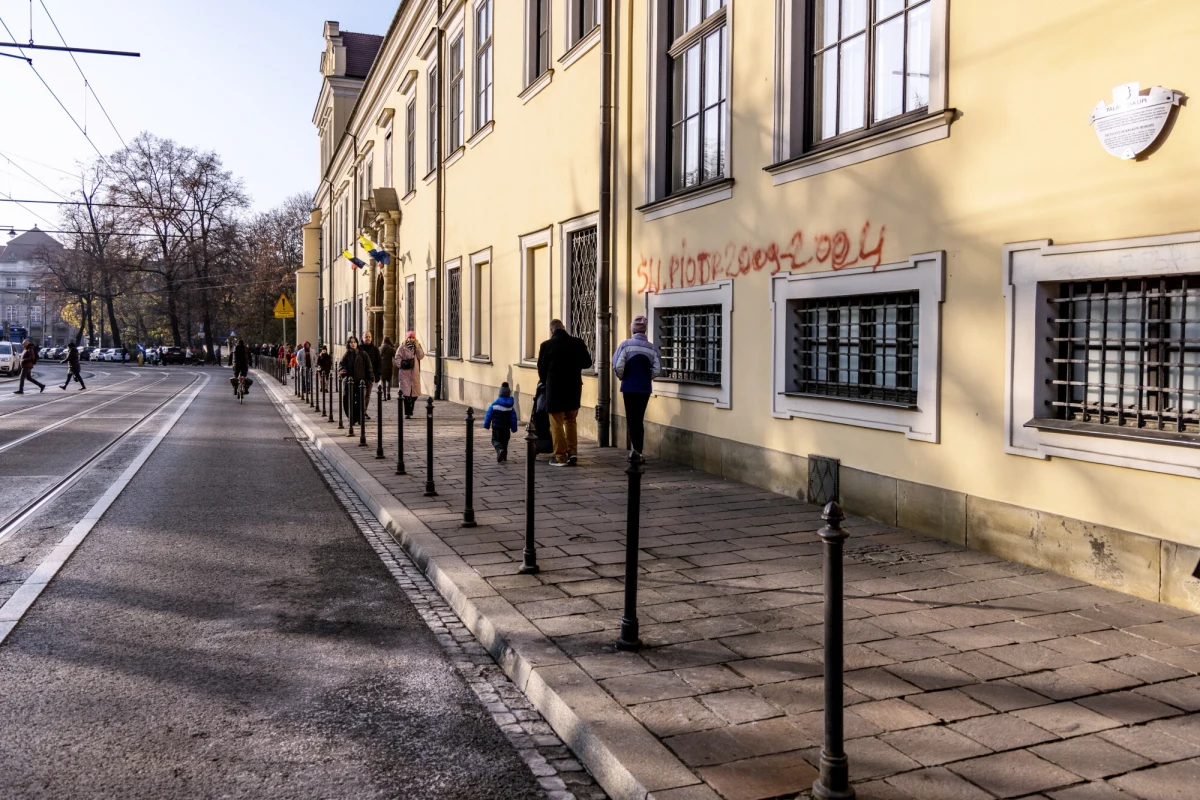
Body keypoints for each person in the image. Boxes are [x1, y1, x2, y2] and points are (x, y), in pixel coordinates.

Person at [537, 319, 593, 467]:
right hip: (573, 388)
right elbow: (588, 363)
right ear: (563, 327)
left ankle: (560, 457)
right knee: (571, 421)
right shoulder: (577, 342)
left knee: (556, 423)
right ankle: (573, 453)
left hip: (554, 389)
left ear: (551, 331)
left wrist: (548, 380)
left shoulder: (546, 345)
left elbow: (541, 371)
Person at [612, 315, 662, 457]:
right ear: (644, 331)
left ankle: (636, 451)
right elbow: (658, 369)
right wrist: (646, 377)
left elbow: (618, 365)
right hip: (644, 388)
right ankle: (638, 450)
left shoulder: (626, 345)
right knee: (639, 418)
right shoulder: (651, 348)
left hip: (629, 387)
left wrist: (623, 377)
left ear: (632, 329)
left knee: (631, 418)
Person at [338, 335, 374, 425]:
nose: (353, 344)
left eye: (354, 342)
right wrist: (343, 371)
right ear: (349, 344)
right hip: (349, 382)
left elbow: (368, 367)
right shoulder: (347, 354)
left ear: (357, 343)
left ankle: (360, 417)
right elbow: (341, 365)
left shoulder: (363, 354)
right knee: (348, 400)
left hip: (361, 382)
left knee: (361, 401)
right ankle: (352, 417)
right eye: (351, 342)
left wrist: (369, 379)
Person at [483, 382, 519, 462]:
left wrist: (486, 424)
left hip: (496, 428)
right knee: (505, 442)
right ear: (508, 394)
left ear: (499, 394)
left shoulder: (494, 405)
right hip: (506, 429)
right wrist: (514, 428)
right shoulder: (510, 407)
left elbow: (489, 415)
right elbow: (513, 418)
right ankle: (504, 456)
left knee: (495, 440)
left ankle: (500, 450)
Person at [394, 331, 424, 418]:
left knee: (414, 394)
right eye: (409, 337)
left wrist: (418, 347)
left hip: (415, 373)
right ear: (407, 338)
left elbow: (421, 356)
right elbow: (397, 357)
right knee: (406, 394)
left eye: (413, 337)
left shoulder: (417, 346)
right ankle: (408, 413)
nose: (411, 339)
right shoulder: (402, 347)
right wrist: (402, 364)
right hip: (405, 373)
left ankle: (410, 409)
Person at [359, 332, 381, 419]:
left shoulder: (375, 349)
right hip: (359, 375)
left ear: (371, 338)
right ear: (362, 338)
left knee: (367, 394)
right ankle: (360, 411)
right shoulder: (359, 348)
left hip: (370, 375)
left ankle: (364, 411)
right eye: (366, 337)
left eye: (369, 337)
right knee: (360, 394)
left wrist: (378, 374)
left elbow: (379, 362)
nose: (368, 338)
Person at [379, 336, 396, 401]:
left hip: (382, 367)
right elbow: (395, 357)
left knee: (383, 381)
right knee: (389, 381)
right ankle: (388, 393)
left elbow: (378, 358)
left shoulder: (380, 348)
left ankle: (384, 396)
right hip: (389, 366)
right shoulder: (391, 349)